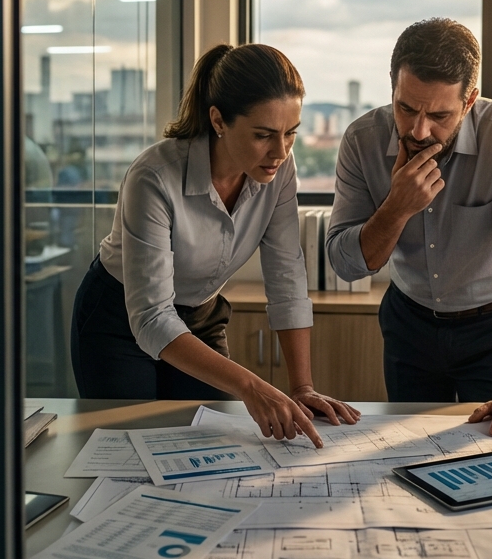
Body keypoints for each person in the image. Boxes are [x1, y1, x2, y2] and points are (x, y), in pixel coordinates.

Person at [71, 44, 359, 445]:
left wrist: (302, 387)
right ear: (218, 120)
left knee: (212, 443)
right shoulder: (154, 176)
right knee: (130, 449)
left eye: (291, 133)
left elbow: (287, 277)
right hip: (119, 321)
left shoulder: (279, 169)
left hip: (200, 318)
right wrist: (252, 385)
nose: (280, 152)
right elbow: (152, 318)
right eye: (263, 135)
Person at [327, 18, 492, 441]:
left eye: (439, 115)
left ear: (469, 101)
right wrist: (396, 208)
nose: (419, 131)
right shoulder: (361, 140)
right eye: (406, 108)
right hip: (409, 323)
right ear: (393, 88)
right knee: (407, 450)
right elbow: (347, 265)